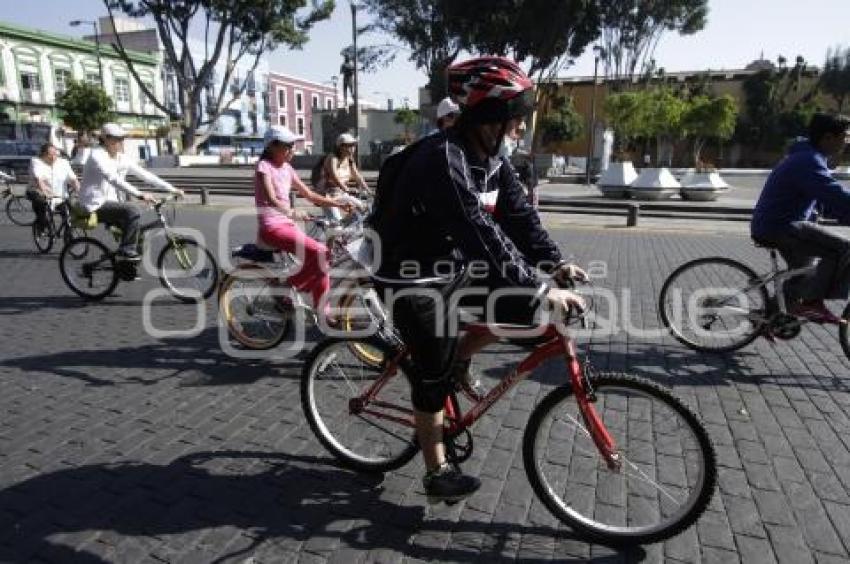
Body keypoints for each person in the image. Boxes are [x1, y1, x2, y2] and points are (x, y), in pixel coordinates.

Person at [372, 56, 587, 503]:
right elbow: (480, 232)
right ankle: (437, 471)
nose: (518, 131)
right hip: (406, 275)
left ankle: (459, 358)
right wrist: (543, 286)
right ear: (488, 118)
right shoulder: (441, 160)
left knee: (523, 309)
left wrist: (554, 263)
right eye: (514, 121)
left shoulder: (490, 159)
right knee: (432, 368)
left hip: (449, 266)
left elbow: (520, 217)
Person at [751, 113, 850, 324]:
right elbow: (833, 194)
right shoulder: (809, 161)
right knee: (843, 249)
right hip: (782, 226)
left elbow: (825, 202)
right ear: (828, 138)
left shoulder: (807, 157)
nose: (846, 143)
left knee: (803, 273)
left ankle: (769, 318)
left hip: (776, 224)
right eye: (844, 137)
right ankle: (812, 303)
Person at [255, 125, 353, 318]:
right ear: (272, 146)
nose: (292, 150)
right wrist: (290, 211)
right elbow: (270, 198)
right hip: (272, 226)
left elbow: (309, 194)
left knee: (323, 259)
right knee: (321, 253)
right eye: (288, 146)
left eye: (293, 145)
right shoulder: (263, 167)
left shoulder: (288, 168)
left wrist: (337, 203)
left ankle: (322, 311)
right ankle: (284, 289)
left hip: (288, 225)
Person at [79, 123, 184, 260]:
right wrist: (140, 194)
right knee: (132, 210)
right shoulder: (97, 156)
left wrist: (172, 189)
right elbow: (113, 179)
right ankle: (126, 250)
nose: (121, 142)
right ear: (105, 139)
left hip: (113, 202)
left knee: (137, 232)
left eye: (122, 138)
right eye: (117, 138)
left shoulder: (121, 158)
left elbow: (146, 175)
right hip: (95, 204)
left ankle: (127, 266)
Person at [314, 133, 369, 221]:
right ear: (341, 147)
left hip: (341, 194)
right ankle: (332, 231)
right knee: (336, 221)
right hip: (327, 196)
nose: (352, 148)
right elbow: (334, 175)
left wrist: (368, 190)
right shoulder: (333, 158)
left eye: (354, 145)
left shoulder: (349, 159)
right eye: (349, 145)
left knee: (363, 209)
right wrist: (346, 188)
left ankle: (347, 232)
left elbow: (357, 175)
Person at [27, 143, 80, 234]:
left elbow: (73, 179)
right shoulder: (36, 161)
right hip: (39, 193)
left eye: (55, 154)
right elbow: (38, 180)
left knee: (70, 215)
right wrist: (46, 193)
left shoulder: (63, 163)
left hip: (60, 196)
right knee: (41, 206)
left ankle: (69, 235)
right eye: (49, 154)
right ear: (43, 154)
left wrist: (79, 191)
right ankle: (42, 226)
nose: (53, 157)